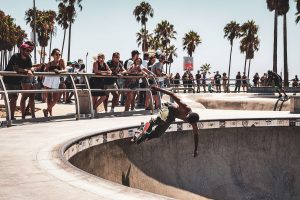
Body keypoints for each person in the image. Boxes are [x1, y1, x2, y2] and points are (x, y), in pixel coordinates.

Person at [133, 86, 200, 157]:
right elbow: (172, 94)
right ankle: (152, 122)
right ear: (189, 114)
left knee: (158, 134)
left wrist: (196, 149)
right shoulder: (185, 107)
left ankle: (144, 136)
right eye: (187, 117)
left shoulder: (194, 124)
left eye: (188, 121)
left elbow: (196, 136)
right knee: (162, 120)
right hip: (168, 108)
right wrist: (158, 89)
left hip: (171, 117)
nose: (186, 119)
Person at [3, 42, 35, 120]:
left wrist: (30, 70)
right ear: (22, 50)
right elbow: (16, 69)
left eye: (30, 50)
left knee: (15, 98)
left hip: (17, 81)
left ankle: (11, 117)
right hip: (7, 80)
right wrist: (27, 71)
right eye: (27, 50)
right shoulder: (15, 56)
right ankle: (10, 117)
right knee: (12, 98)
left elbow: (31, 67)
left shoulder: (28, 58)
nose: (29, 52)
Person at [43, 48, 66, 117]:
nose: (58, 55)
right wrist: (49, 72)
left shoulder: (61, 61)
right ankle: (49, 114)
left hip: (56, 80)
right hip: (48, 80)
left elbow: (65, 69)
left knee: (56, 99)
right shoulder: (49, 63)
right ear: (53, 55)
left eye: (59, 54)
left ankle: (46, 110)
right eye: (56, 54)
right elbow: (44, 71)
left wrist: (59, 71)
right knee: (49, 98)